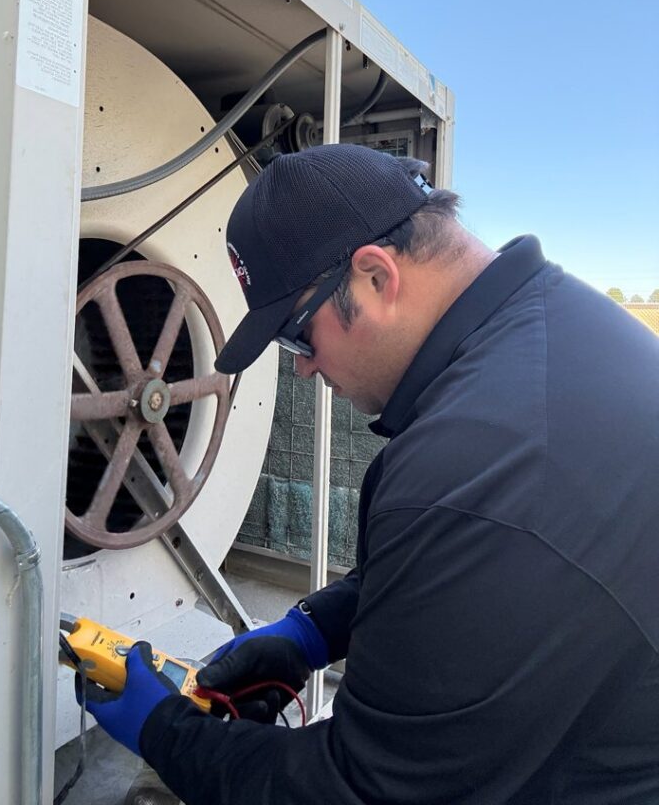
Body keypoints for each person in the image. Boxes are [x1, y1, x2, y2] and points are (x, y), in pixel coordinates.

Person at [81, 144, 659, 804]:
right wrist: (314, 629)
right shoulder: (552, 328)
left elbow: (356, 793)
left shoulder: (467, 460)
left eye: (298, 335)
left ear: (377, 277)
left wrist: (166, 731)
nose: (303, 367)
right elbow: (484, 562)